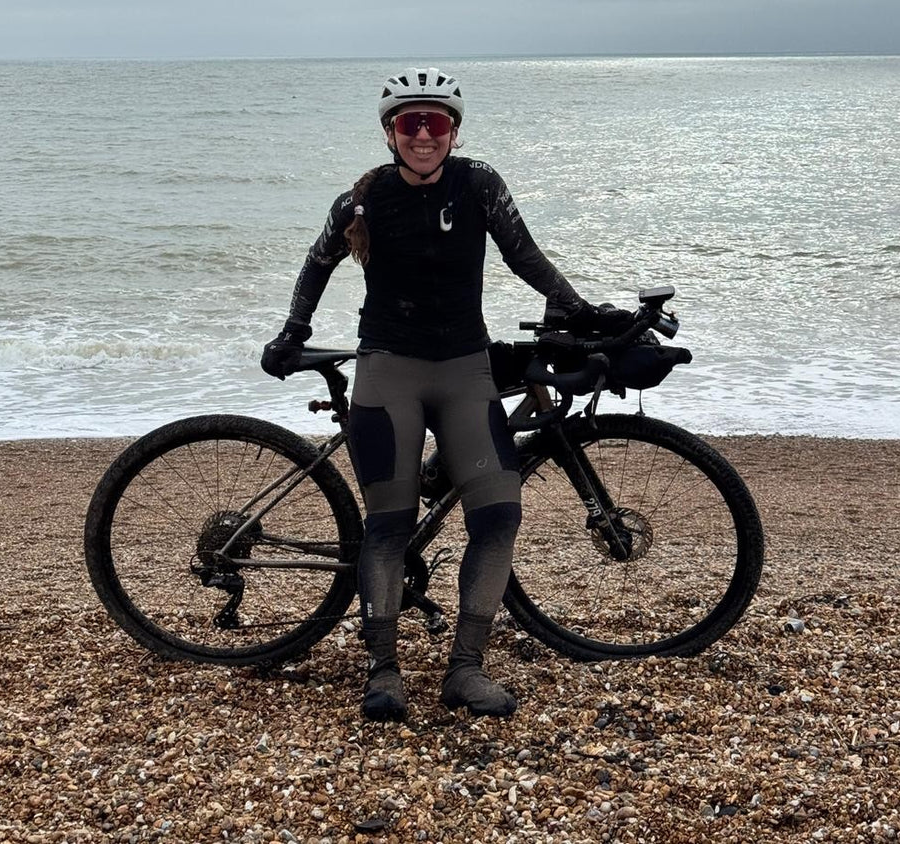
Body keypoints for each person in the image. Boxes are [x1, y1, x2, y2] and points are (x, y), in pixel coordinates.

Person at [261, 67, 629, 721]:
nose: (424, 134)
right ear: (390, 133)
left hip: (464, 369)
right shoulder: (361, 202)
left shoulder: (479, 184)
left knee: (497, 513)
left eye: (437, 122)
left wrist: (580, 309)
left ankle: (465, 668)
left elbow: (525, 257)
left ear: (454, 132)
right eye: (411, 122)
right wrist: (293, 332)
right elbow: (317, 264)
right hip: (388, 370)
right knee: (389, 526)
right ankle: (383, 671)